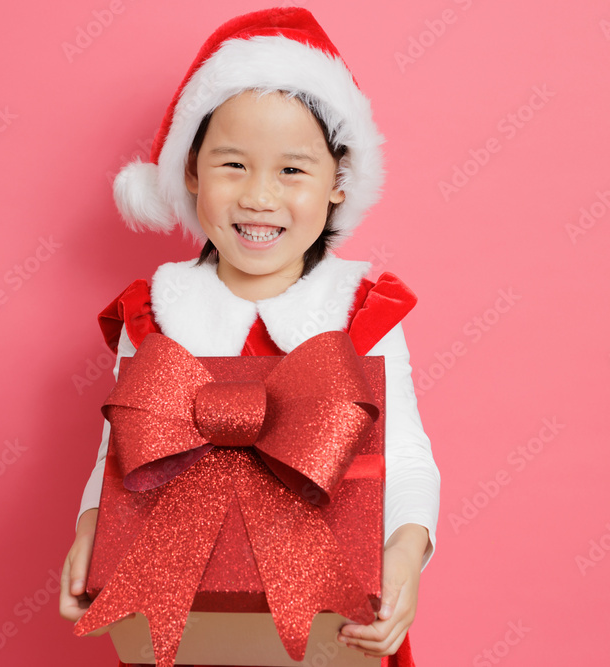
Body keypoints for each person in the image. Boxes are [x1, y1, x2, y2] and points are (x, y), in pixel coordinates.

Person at [60, 7, 441, 666]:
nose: (259, 196)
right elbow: (118, 457)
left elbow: (404, 454)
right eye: (233, 164)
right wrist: (90, 531)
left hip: (335, 624)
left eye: (292, 171)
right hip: (186, 620)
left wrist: (406, 551)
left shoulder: (361, 314)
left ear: (337, 184)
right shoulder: (152, 317)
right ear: (190, 172)